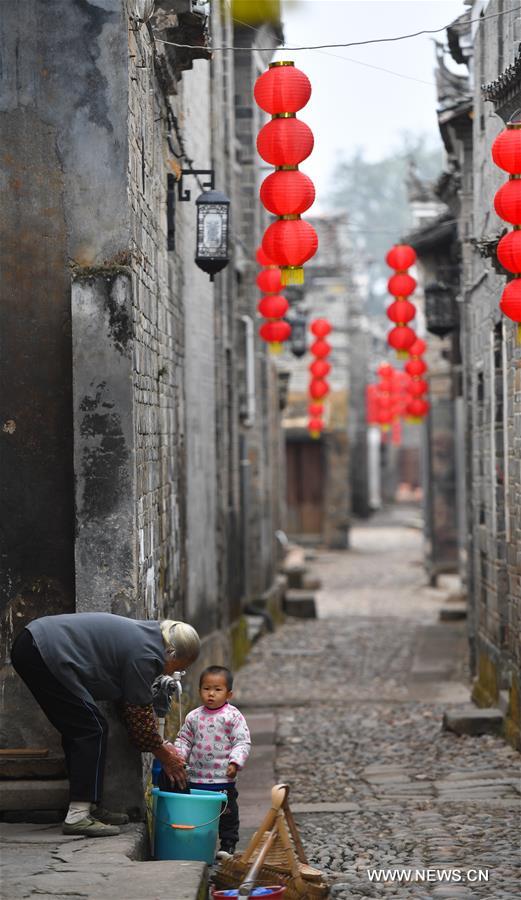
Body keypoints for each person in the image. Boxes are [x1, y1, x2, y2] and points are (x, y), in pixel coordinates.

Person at [10, 614, 200, 837]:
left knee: (81, 727)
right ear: (172, 653)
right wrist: (165, 754)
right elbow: (139, 721)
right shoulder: (146, 655)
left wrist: (159, 744)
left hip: (38, 643)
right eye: (177, 667)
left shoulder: (150, 638)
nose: (170, 673)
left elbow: (131, 707)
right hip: (42, 649)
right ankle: (78, 815)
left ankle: (88, 807)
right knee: (91, 729)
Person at [174, 665, 251, 858]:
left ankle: (227, 845)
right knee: (200, 815)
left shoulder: (233, 716)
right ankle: (197, 842)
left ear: (229, 694)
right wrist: (178, 758)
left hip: (222, 778)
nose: (211, 694)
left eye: (218, 690)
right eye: (206, 689)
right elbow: (184, 740)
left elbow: (242, 741)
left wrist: (235, 762)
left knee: (227, 814)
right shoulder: (193, 717)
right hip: (197, 779)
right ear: (199, 690)